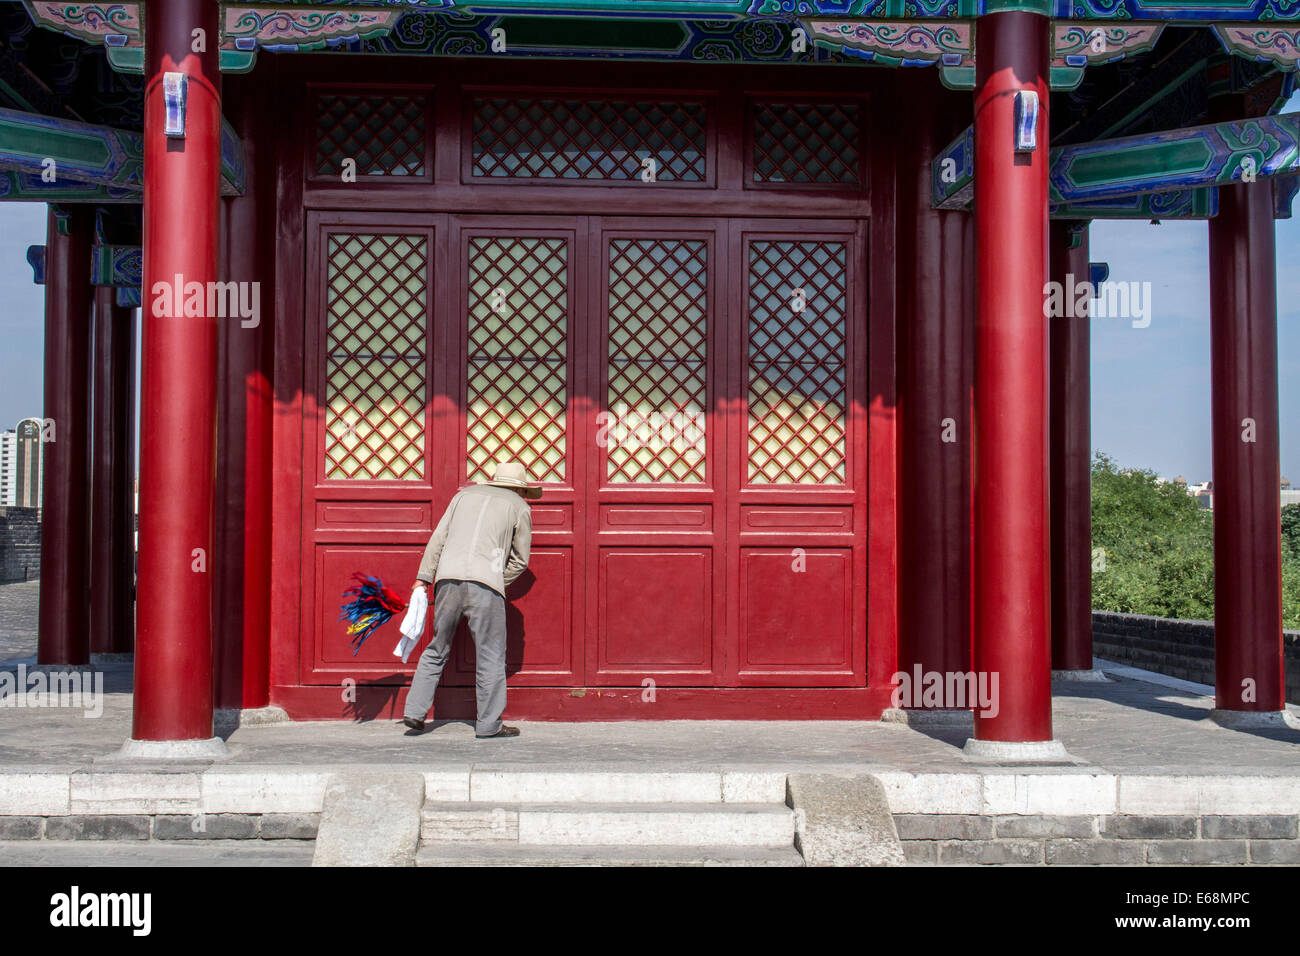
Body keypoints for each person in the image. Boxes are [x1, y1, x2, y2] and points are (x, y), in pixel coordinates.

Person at [402, 461, 540, 739]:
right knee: (490, 654)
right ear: (520, 488)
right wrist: (497, 579)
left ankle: (415, 712)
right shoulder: (519, 507)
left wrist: (424, 577)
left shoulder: (463, 496)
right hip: (486, 583)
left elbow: (438, 538)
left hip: (447, 578)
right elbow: (520, 560)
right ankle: (489, 725)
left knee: (437, 646)